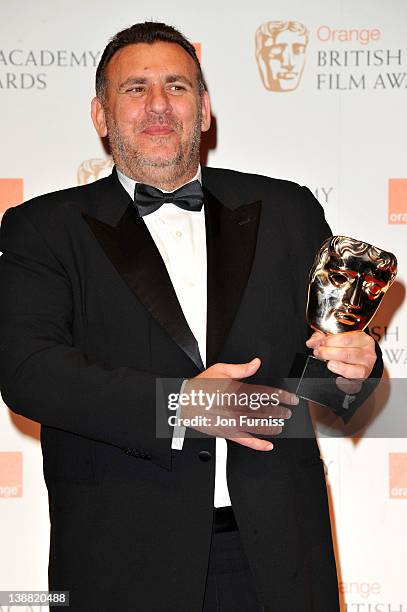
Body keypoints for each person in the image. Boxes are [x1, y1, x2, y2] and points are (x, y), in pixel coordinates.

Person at [0, 21, 382, 612]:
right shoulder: (42, 229)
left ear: (204, 110)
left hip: (279, 562)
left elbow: (320, 372)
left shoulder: (287, 209)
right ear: (101, 116)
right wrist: (181, 404)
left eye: (177, 87)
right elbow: (30, 372)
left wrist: (356, 368)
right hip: (120, 563)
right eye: (135, 90)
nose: (158, 105)